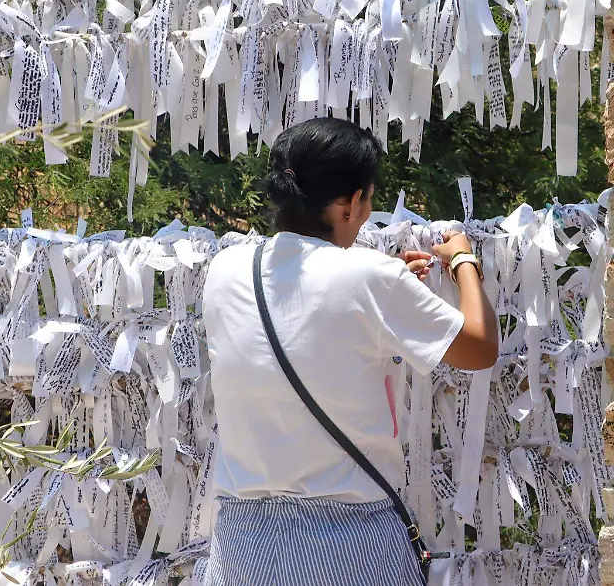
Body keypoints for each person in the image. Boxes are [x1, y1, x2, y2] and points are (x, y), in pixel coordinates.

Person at [200, 117, 499, 586]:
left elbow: (304, 316)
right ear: (352, 201)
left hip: (241, 544)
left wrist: (382, 285)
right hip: (348, 545)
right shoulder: (371, 280)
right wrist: (463, 261)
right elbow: (479, 349)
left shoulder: (225, 269)